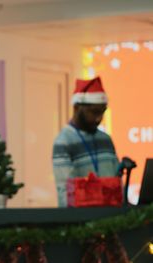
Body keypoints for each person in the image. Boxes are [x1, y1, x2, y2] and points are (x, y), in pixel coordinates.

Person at [52, 76, 119, 207]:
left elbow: (116, 182)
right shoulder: (64, 141)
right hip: (80, 221)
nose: (98, 119)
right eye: (94, 112)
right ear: (77, 108)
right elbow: (68, 192)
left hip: (111, 217)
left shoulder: (106, 139)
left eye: (102, 112)